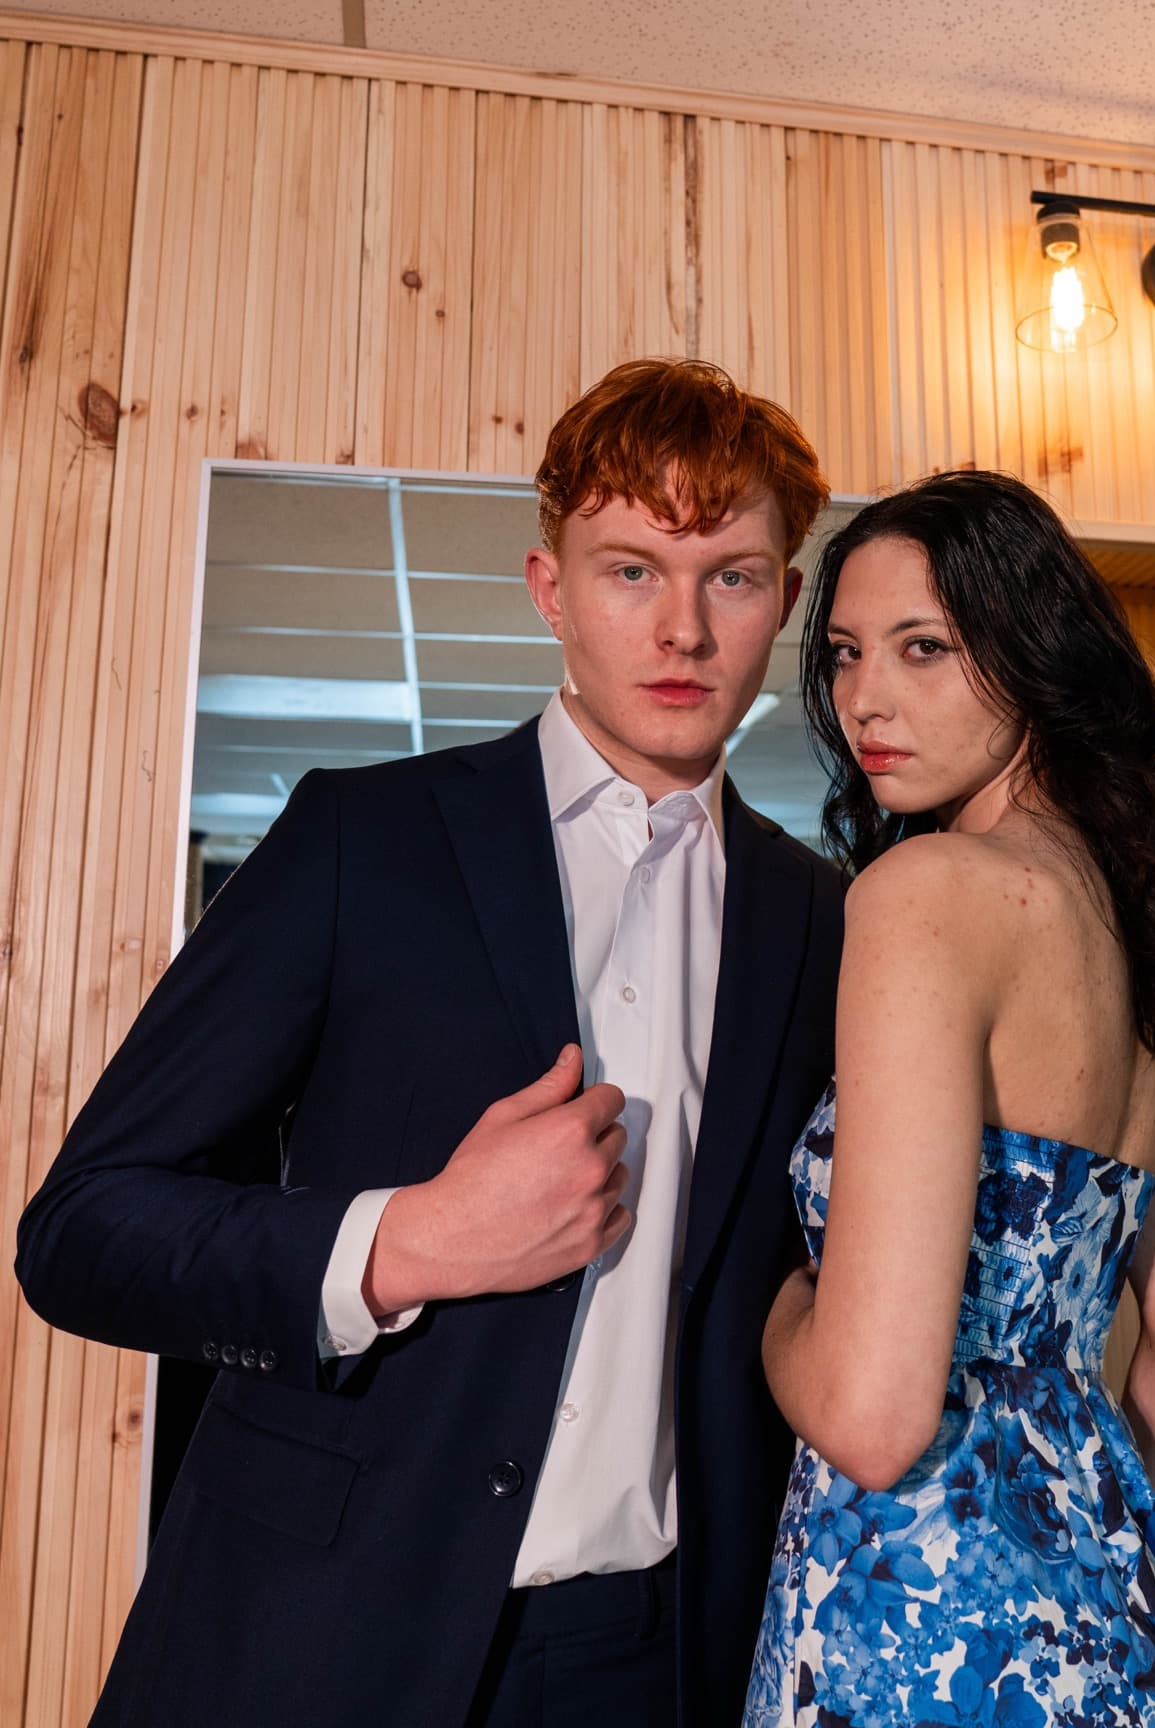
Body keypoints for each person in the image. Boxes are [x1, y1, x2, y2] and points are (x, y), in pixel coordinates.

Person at [16, 360, 841, 1728]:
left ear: (787, 604)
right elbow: (83, 1231)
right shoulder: (362, 842)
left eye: (734, 576)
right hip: (319, 1634)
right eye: (632, 570)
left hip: (665, 1660)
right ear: (550, 590)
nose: (684, 627)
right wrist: (402, 1243)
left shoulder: (829, 922)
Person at [743, 471, 1155, 1727]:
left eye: (924, 649)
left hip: (918, 1630)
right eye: (849, 654)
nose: (867, 697)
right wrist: (1113, 1572)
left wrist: (779, 1313)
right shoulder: (1139, 923)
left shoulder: (928, 895)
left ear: (1035, 656)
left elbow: (870, 1415)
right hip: (1115, 1621)